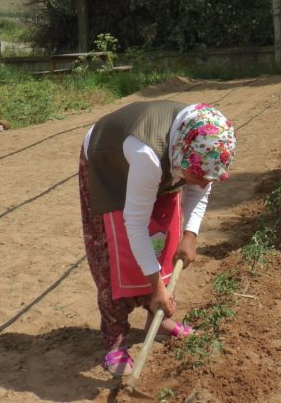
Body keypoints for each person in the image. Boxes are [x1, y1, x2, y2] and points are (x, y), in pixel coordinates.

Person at [78, 101, 236, 376]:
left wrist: (190, 235)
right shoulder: (148, 155)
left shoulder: (202, 144)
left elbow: (201, 188)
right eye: (197, 175)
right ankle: (115, 342)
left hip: (156, 167)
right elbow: (135, 224)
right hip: (109, 166)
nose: (200, 183)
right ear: (182, 156)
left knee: (166, 238)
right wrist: (157, 288)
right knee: (115, 256)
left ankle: (158, 322)